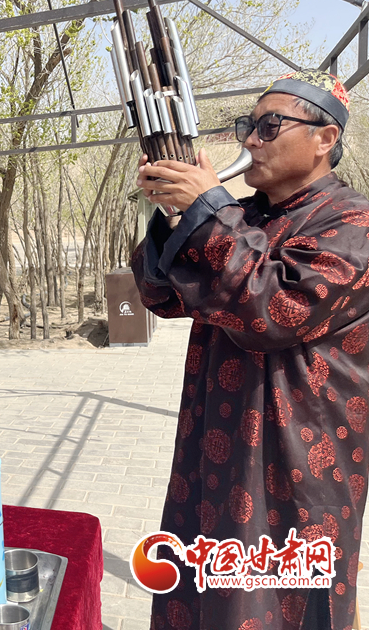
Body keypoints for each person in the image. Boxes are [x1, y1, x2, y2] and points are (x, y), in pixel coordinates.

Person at [132, 70, 368, 629]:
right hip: (218, 438)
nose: (251, 140)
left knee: (279, 599)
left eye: (269, 126)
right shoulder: (246, 217)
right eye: (248, 126)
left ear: (325, 138)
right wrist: (174, 217)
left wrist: (209, 209)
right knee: (205, 585)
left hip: (295, 456)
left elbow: (276, 307)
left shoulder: (353, 222)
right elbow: (161, 296)